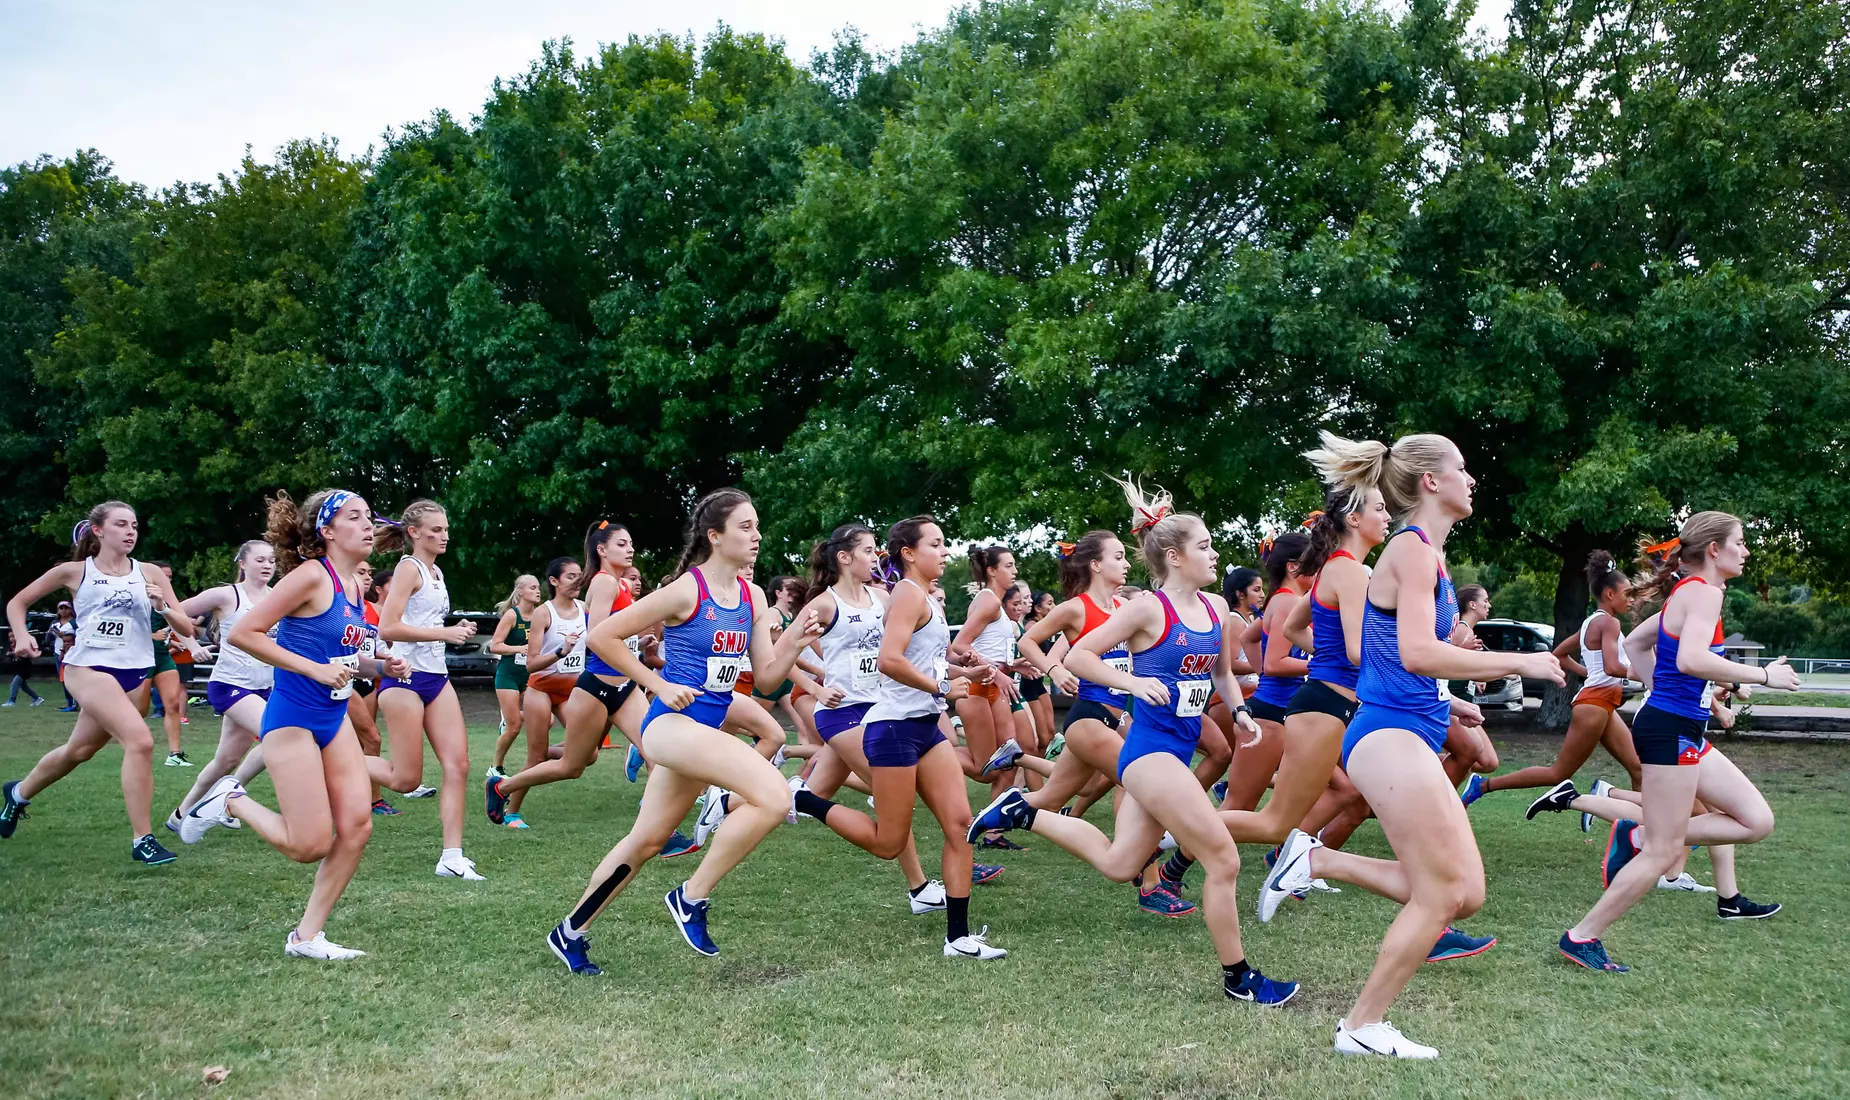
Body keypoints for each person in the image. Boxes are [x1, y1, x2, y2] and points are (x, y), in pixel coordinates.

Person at [1257, 432, 1562, 1058]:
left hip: (1409, 726)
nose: (1471, 479)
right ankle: (1362, 1026)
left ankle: (1317, 862)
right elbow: (1417, 652)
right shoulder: (1413, 551)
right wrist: (1522, 663)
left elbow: (1412, 654)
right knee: (1443, 893)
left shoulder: (1432, 558)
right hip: (1388, 735)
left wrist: (1455, 690)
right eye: (1462, 469)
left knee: (1466, 894)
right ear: (1430, 481)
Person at [971, 479, 1298, 1003]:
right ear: (1174, 557)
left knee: (1120, 864)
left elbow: (1220, 673)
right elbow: (1078, 657)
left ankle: (1026, 812)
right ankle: (1240, 978)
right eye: (1205, 546)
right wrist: (1131, 682)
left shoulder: (1216, 608)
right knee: (1223, 858)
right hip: (1147, 754)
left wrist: (1238, 711)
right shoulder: (1147, 609)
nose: (1215, 553)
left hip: (1176, 749)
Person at [545, 489, 818, 973]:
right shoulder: (686, 589)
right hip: (670, 727)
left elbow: (769, 679)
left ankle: (571, 931)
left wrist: (793, 641)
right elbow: (601, 635)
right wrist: (657, 682)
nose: (757, 536)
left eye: (757, 527)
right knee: (775, 797)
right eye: (745, 527)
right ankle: (691, 896)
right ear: (715, 536)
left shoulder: (753, 596)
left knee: (647, 841)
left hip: (706, 728)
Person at [1553, 512, 1797, 973]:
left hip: (1679, 725)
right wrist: (1763, 675)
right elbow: (1689, 658)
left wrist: (1674, 693)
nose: (1745, 551)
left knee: (1756, 820)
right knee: (1665, 853)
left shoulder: (1689, 593)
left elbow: (1639, 645)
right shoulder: (1703, 592)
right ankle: (1581, 936)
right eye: (1740, 543)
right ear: (1713, 550)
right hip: (1669, 730)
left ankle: (1641, 832)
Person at [179, 489, 410, 960]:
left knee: (357, 827)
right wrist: (312, 669)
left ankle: (306, 937)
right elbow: (245, 634)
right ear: (327, 531)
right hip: (292, 720)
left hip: (333, 716)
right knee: (308, 844)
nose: (368, 525)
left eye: (370, 517)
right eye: (354, 517)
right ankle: (230, 798)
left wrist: (383, 668)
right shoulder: (310, 576)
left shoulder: (354, 586)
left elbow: (345, 657)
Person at [790, 515, 1006, 959]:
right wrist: (942, 687)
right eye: (937, 544)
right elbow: (889, 659)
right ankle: (803, 799)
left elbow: (923, 659)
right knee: (889, 843)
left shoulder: (921, 596)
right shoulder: (907, 594)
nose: (945, 552)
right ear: (909, 553)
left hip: (926, 728)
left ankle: (958, 938)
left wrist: (965, 671)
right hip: (892, 730)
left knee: (960, 825)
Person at [1, 502, 195, 864]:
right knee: (139, 741)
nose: (130, 531)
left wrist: (163, 606)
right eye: (121, 524)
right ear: (98, 530)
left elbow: (186, 628)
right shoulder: (74, 572)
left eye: (134, 525)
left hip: (134, 674)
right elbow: (18, 602)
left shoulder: (150, 572)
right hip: (88, 669)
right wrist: (21, 634)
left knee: (78, 751)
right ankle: (143, 840)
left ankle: (18, 795)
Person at [1014, 530, 1194, 916]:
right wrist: (1053, 670)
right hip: (1087, 719)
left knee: (1050, 799)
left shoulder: (1123, 608)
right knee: (1145, 787)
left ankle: (996, 814)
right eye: (1117, 557)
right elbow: (1028, 642)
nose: (1127, 563)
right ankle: (1149, 885)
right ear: (1096, 565)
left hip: (1115, 718)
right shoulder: (1076, 608)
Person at [1464, 550, 1645, 804]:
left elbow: (1559, 654)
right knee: (1558, 773)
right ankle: (1482, 786)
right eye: (1628, 594)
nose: (1632, 600)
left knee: (1637, 767)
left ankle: (1638, 830)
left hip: (1601, 702)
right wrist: (1647, 675)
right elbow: (1613, 667)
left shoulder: (1591, 623)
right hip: (1595, 705)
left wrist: (1588, 673)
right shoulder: (1610, 624)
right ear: (1610, 594)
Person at [371, 500, 482, 880]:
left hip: (436, 677)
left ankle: (451, 856)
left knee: (459, 765)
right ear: (415, 533)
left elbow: (428, 621)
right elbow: (388, 627)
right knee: (407, 780)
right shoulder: (407, 568)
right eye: (435, 530)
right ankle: (327, 759)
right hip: (404, 678)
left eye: (446, 529)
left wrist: (456, 628)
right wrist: (444, 633)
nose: (444, 535)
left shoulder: (436, 572)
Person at [165, 540, 277, 828]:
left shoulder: (278, 597)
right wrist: (189, 643)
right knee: (280, 735)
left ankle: (180, 816)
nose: (267, 566)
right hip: (230, 686)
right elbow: (177, 612)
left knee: (225, 761)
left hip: (265, 686)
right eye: (261, 560)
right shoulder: (227, 596)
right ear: (242, 563)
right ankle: (225, 799)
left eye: (272, 561)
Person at [486, 573, 540, 808]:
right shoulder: (512, 615)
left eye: (539, 587)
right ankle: (495, 767)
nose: (538, 591)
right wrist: (520, 648)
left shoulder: (540, 615)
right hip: (508, 675)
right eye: (533, 587)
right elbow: (494, 645)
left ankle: (512, 723)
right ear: (520, 592)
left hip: (531, 676)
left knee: (543, 721)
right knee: (515, 727)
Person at [146, 561, 193, 766]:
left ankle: (175, 755)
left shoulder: (169, 601)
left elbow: (183, 627)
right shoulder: (136, 598)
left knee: (172, 704)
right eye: (163, 576)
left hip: (163, 657)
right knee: (137, 709)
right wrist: (150, 636)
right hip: (140, 656)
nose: (168, 580)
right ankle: (134, 748)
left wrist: (171, 641)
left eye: (170, 576)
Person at [50, 601, 77, 711]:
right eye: (61, 608)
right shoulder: (55, 623)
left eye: (66, 608)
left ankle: (75, 703)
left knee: (73, 678)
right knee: (63, 679)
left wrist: (65, 636)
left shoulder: (74, 623)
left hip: (71, 653)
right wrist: (51, 633)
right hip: (58, 652)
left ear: (70, 610)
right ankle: (69, 703)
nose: (63, 610)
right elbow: (49, 639)